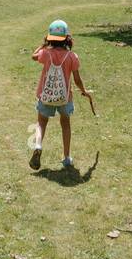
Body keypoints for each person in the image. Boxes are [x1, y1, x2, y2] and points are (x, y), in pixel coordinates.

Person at [29, 19, 89, 170]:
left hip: (46, 95)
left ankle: (38, 145)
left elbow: (33, 56)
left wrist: (43, 44)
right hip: (64, 98)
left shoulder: (45, 53)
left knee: (42, 122)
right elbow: (76, 79)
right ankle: (67, 157)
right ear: (67, 38)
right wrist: (84, 91)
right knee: (65, 124)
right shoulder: (72, 56)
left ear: (50, 38)